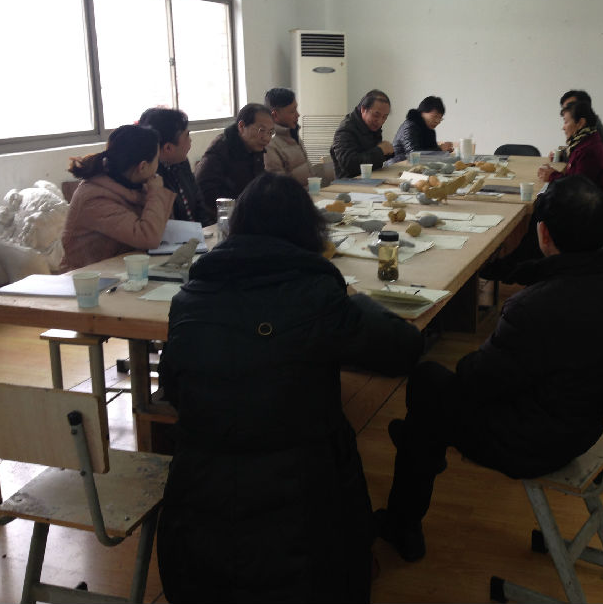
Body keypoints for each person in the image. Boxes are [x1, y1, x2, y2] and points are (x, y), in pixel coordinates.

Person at [156, 172, 424, 603]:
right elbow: (404, 350)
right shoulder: (317, 294)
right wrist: (355, 300)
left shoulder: (189, 297)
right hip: (304, 510)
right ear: (309, 231)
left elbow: (173, 389)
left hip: (199, 511)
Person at [374, 175, 603, 562]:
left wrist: (483, 353)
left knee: (428, 380)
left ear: (543, 234)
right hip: (589, 425)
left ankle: (403, 518)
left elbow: (476, 382)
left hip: (535, 442)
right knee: (427, 418)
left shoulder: (535, 309)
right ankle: (421, 445)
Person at [60, 124, 175, 271]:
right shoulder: (95, 197)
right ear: (143, 166)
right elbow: (149, 237)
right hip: (87, 278)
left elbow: (161, 226)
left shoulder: (134, 184)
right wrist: (156, 192)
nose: (158, 166)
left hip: (121, 270)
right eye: (157, 160)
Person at [195, 103, 274, 221]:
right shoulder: (220, 150)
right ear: (241, 126)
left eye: (270, 132)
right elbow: (205, 192)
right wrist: (242, 208)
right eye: (261, 130)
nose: (267, 138)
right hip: (221, 220)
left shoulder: (255, 149)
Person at [138, 107, 211, 225]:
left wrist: (206, 231)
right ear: (168, 148)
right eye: (187, 135)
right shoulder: (150, 177)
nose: (190, 140)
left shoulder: (181, 162)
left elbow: (199, 203)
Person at [537, 100, 603, 191]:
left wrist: (552, 176)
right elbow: (575, 172)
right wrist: (560, 158)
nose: (563, 128)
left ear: (580, 123)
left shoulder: (588, 150)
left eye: (566, 122)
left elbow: (577, 188)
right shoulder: (584, 142)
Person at [552, 90, 603, 182]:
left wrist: (552, 176)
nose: (566, 111)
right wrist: (562, 154)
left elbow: (578, 182)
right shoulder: (583, 134)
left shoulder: (591, 136)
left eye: (570, 106)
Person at [264, 87, 322, 186]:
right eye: (292, 111)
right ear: (275, 115)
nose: (298, 115)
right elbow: (279, 186)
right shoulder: (270, 145)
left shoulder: (292, 135)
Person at [330, 89, 394, 178]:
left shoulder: (372, 127)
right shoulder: (345, 130)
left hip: (371, 178)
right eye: (376, 115)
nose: (380, 121)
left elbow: (373, 159)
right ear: (363, 109)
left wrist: (388, 152)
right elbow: (350, 164)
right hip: (350, 182)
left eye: (384, 117)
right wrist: (381, 151)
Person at [391, 96, 454, 162]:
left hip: (413, 166)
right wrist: (440, 149)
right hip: (396, 165)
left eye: (440, 118)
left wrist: (444, 151)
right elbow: (413, 156)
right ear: (422, 113)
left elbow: (430, 154)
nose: (437, 121)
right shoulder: (410, 126)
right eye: (435, 116)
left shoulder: (430, 131)